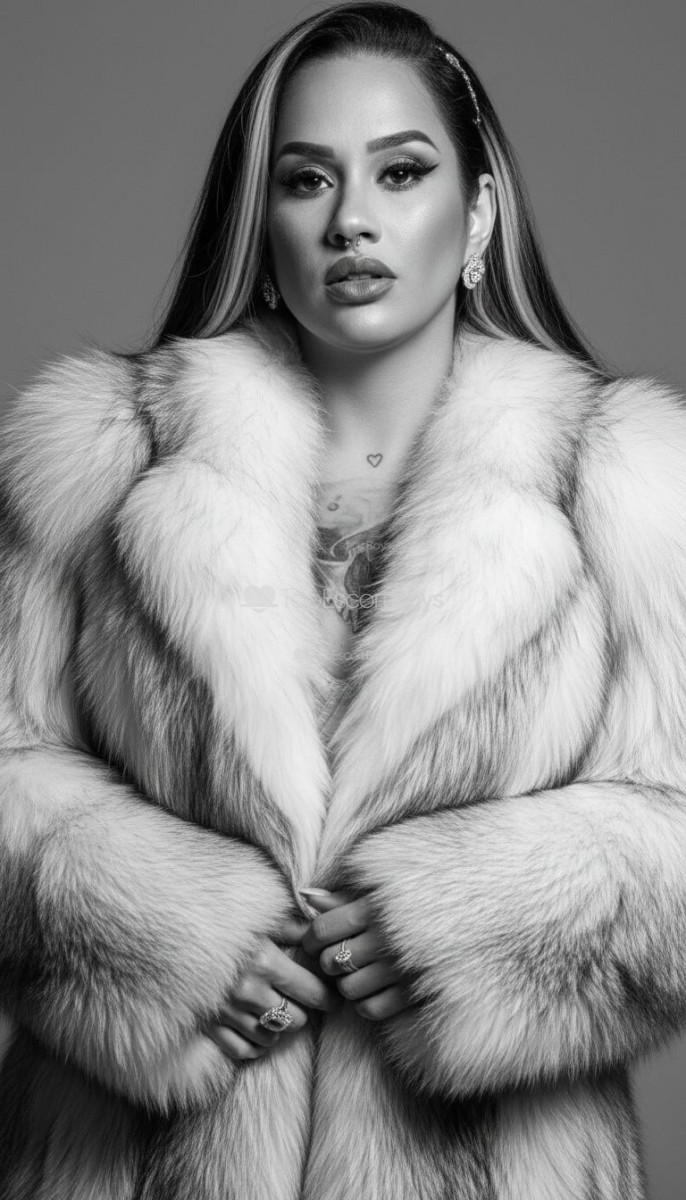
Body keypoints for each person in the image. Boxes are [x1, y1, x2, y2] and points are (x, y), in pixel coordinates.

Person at [1, 2, 685, 1196]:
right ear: (259, 219)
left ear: (477, 215)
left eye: (400, 173)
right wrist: (160, 934)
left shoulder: (622, 479)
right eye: (305, 179)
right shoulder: (101, 455)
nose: (350, 220)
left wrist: (471, 922)